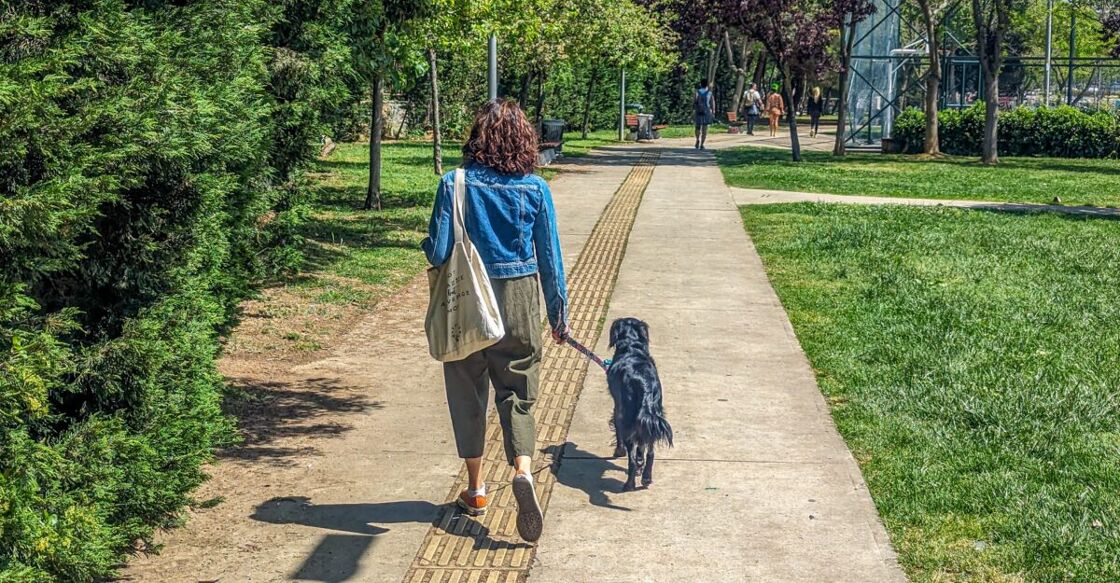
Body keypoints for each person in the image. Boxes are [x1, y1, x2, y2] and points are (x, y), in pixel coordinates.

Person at [422, 99, 570, 543]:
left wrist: (430, 241)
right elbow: (550, 259)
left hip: (467, 302)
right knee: (517, 392)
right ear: (525, 141)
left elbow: (438, 251)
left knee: (467, 391)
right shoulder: (535, 189)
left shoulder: (453, 184)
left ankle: (476, 488)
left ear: (477, 139)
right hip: (519, 301)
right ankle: (522, 469)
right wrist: (558, 316)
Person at [693, 79, 716, 149]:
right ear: (707, 85)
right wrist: (713, 112)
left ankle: (697, 139)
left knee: (697, 127)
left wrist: (694, 110)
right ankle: (702, 144)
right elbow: (712, 103)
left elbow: (694, 102)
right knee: (705, 128)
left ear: (700, 84)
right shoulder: (709, 93)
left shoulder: (697, 92)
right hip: (706, 112)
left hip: (698, 111)